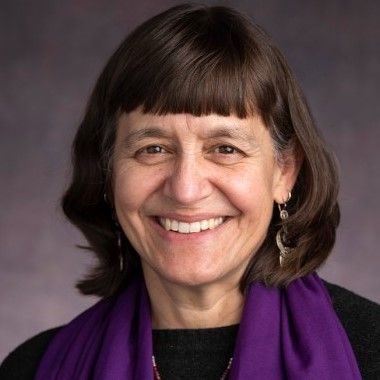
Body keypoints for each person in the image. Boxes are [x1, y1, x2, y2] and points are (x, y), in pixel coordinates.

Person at [1, 3, 379, 379]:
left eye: (225, 149)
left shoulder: (371, 350)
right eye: (153, 149)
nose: (185, 189)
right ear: (109, 171)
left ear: (284, 172)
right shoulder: (31, 369)